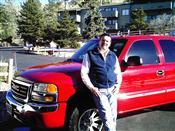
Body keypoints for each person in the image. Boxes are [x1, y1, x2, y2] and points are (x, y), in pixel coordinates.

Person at [81, 33, 122, 131]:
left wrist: (118, 85)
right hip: (100, 91)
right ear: (99, 41)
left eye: (107, 41)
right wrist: (92, 87)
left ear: (110, 43)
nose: (105, 42)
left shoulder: (113, 56)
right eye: (103, 40)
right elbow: (84, 73)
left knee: (113, 116)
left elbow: (118, 72)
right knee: (107, 117)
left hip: (112, 90)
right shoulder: (90, 54)